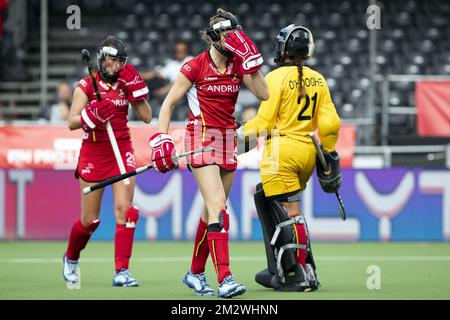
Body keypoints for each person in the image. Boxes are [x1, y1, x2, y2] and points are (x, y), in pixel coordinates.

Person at [149, 8, 269, 298]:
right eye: (228, 35)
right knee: (218, 207)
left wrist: (251, 61)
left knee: (209, 214)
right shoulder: (194, 67)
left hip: (228, 140)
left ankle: (194, 273)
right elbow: (167, 106)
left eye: (236, 34)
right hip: (199, 140)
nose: (233, 39)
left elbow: (263, 94)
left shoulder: (238, 65)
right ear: (214, 38)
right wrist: (162, 139)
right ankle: (225, 278)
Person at [238, 24, 342, 292]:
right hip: (308, 150)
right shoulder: (318, 79)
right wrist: (328, 155)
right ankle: (282, 266)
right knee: (267, 198)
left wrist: (233, 139)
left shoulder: (273, 78)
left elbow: (264, 122)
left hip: (280, 151)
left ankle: (297, 274)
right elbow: (330, 124)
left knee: (289, 212)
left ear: (282, 48)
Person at [63, 35, 151, 289]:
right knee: (90, 220)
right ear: (102, 59)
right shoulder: (86, 85)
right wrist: (90, 114)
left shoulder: (125, 82)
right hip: (94, 152)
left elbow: (146, 116)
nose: (116, 65)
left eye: (120, 61)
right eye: (112, 60)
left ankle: (121, 271)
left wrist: (135, 90)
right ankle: (71, 258)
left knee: (126, 211)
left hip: (121, 150)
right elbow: (71, 121)